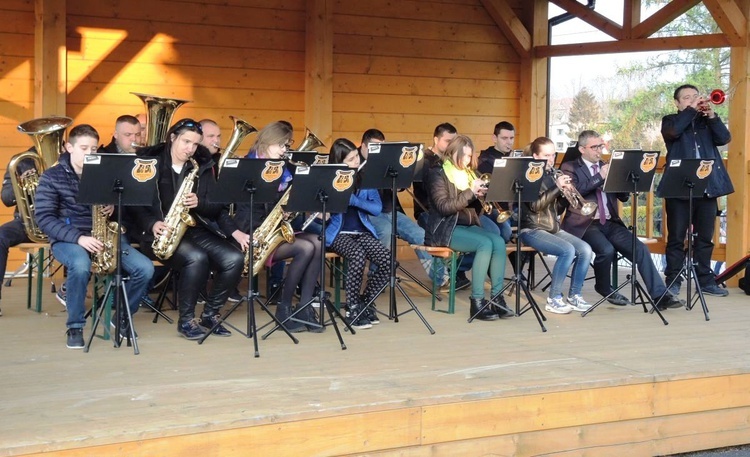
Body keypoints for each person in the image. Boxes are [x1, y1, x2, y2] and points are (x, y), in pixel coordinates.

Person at [34, 124, 154, 349]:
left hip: (104, 235)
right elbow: (45, 218)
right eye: (84, 148)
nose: (90, 154)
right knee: (80, 265)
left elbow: (125, 206)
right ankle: (75, 326)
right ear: (69, 147)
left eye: (94, 149)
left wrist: (114, 206)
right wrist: (79, 238)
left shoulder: (104, 173)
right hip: (68, 239)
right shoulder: (51, 177)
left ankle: (119, 315)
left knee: (145, 269)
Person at [131, 118, 244, 340]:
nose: (190, 149)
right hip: (158, 233)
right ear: (172, 137)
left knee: (234, 258)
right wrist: (152, 223)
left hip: (193, 228)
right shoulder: (149, 161)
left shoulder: (201, 164)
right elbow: (134, 204)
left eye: (195, 144)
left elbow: (217, 207)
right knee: (197, 258)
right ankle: (186, 320)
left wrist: (200, 204)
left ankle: (210, 314)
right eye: (185, 142)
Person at [561, 130, 683, 310]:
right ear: (582, 149)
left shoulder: (605, 166)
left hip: (609, 222)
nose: (599, 151)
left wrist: (624, 180)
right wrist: (600, 177)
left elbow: (623, 198)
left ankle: (660, 295)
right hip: (584, 223)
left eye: (600, 146)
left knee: (640, 249)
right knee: (606, 250)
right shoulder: (570, 167)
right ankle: (604, 287)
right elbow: (577, 191)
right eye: (594, 147)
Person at [233, 121, 323, 333]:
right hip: (253, 232)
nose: (284, 150)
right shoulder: (248, 167)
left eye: (286, 146)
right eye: (281, 145)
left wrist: (291, 207)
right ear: (268, 141)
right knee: (305, 247)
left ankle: (304, 307)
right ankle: (283, 309)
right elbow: (243, 208)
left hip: (275, 229)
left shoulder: (284, 169)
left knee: (318, 242)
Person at [424, 134, 510, 320]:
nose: (467, 160)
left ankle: (497, 298)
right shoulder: (437, 173)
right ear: (452, 152)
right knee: (484, 244)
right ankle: (477, 302)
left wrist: (483, 194)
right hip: (444, 228)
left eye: (470, 156)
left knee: (498, 241)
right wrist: (470, 192)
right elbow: (444, 207)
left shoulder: (469, 173)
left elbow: (474, 208)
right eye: (463, 155)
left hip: (466, 224)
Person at [659, 84, 733, 297]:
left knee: (705, 238)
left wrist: (711, 116)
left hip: (708, 187)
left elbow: (724, 139)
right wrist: (691, 110)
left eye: (695, 96)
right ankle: (673, 279)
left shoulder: (706, 121)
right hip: (678, 187)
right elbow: (673, 133)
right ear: (677, 103)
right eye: (686, 98)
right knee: (676, 237)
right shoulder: (670, 120)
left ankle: (705, 280)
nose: (693, 100)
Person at [362, 128, 448, 285]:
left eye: (380, 148)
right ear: (364, 147)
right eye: (374, 149)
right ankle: (377, 276)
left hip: (390, 211)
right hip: (367, 213)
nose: (377, 153)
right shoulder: (356, 162)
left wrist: (400, 181)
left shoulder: (384, 160)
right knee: (386, 232)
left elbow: (398, 186)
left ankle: (441, 278)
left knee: (420, 234)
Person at [518, 137, 593, 314]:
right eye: (546, 155)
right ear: (535, 156)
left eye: (553, 155)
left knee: (585, 249)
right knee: (567, 250)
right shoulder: (530, 176)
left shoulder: (553, 174)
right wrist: (557, 188)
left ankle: (574, 295)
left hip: (552, 228)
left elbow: (556, 210)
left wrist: (567, 196)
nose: (551, 159)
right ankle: (554, 298)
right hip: (532, 229)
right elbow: (535, 207)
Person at [325, 138, 393, 330]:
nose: (356, 162)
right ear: (339, 162)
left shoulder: (365, 179)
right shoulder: (330, 179)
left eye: (356, 157)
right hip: (337, 233)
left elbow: (377, 208)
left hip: (361, 231)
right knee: (357, 255)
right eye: (350, 160)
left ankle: (366, 302)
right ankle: (352, 308)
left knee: (388, 261)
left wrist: (353, 200)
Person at [0, 151, 37, 317]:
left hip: (61, 222)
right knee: (1, 236)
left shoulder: (69, 156)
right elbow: (6, 199)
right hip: (28, 222)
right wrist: (20, 184)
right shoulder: (22, 161)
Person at [476, 121, 515, 243]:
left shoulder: (516, 158)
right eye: (504, 138)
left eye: (511, 138)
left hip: (514, 208)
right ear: (494, 138)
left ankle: (519, 260)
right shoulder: (485, 160)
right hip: (493, 209)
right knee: (505, 233)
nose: (509, 142)